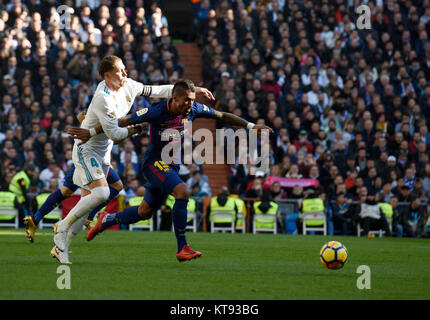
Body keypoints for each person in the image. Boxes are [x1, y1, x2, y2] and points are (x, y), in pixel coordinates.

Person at [70, 79, 272, 262]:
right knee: (182, 191)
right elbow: (121, 121)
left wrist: (251, 126)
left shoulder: (194, 109)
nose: (190, 105)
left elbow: (222, 116)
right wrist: (91, 131)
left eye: (192, 100)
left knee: (144, 212)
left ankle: (107, 219)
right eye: (186, 101)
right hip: (153, 164)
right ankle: (182, 247)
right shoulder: (156, 111)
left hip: (171, 166)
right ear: (174, 98)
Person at [51, 56, 215, 264]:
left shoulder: (129, 85)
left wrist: (195, 89)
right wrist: (135, 130)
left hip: (103, 154)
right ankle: (62, 227)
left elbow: (157, 90)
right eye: (121, 71)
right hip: (87, 151)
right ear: (108, 75)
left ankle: (61, 247)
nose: (125, 73)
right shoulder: (103, 98)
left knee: (87, 204)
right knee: (101, 192)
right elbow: (116, 135)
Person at [23, 111, 123, 243]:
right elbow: (81, 116)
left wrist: (125, 132)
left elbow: (111, 140)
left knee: (115, 186)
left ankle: (38, 220)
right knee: (70, 192)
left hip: (99, 160)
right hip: (87, 158)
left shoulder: (110, 112)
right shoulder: (99, 108)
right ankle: (46, 223)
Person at [9, 163, 38, 228]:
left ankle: (32, 222)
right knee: (22, 209)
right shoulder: (22, 177)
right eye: (32, 171)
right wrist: (28, 199)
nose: (33, 173)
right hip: (12, 197)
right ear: (28, 171)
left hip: (18, 197)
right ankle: (22, 225)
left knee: (31, 204)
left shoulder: (24, 175)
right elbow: (23, 190)